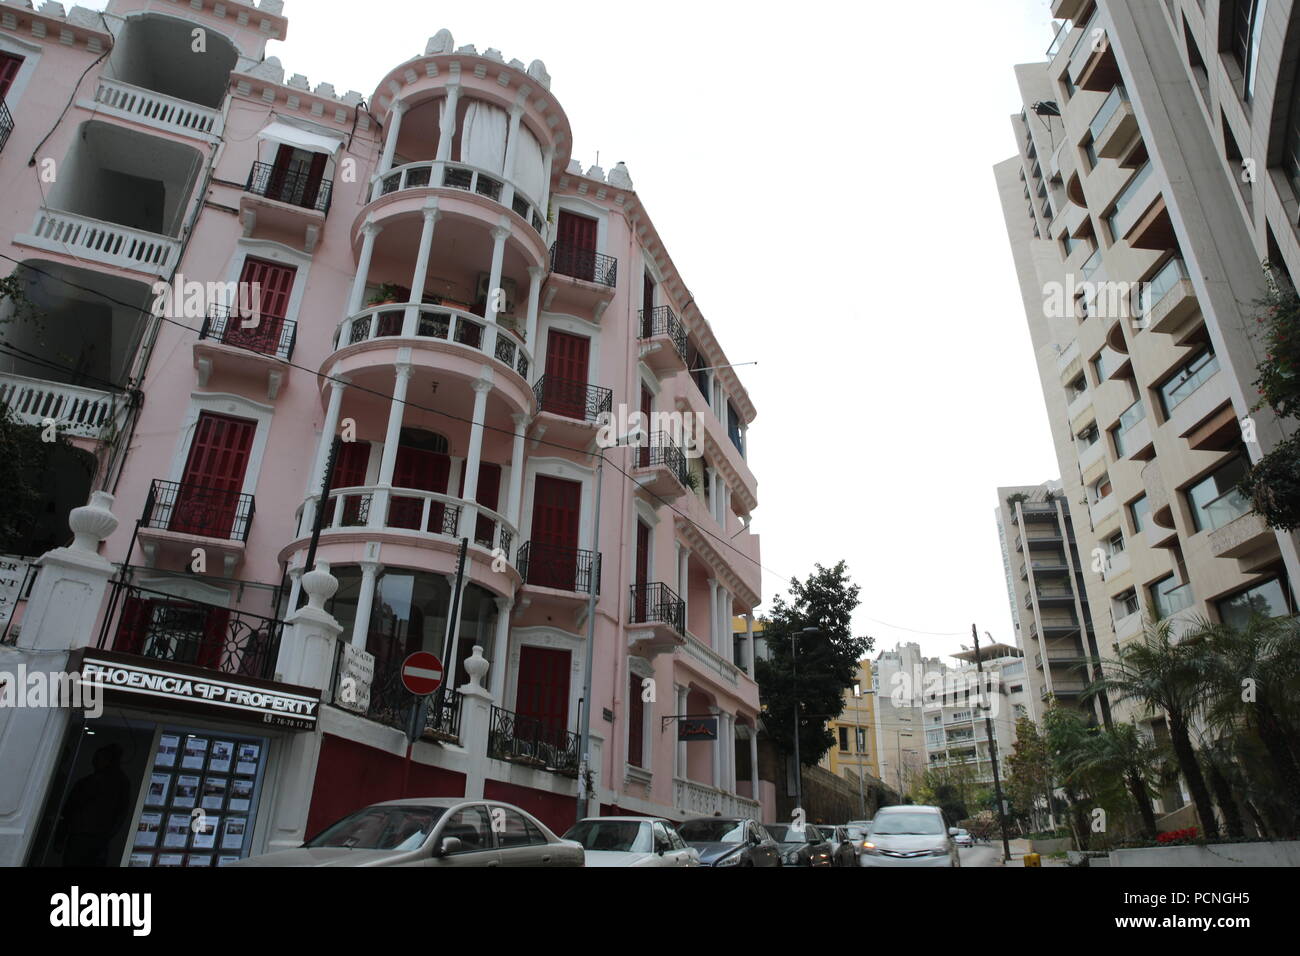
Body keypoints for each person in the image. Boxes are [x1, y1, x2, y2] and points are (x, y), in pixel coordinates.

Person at [60, 743, 132, 866]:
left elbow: (70, 809)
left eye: (99, 759)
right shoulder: (116, 782)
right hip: (89, 835)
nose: (95, 762)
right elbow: (69, 810)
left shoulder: (112, 783)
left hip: (90, 836)